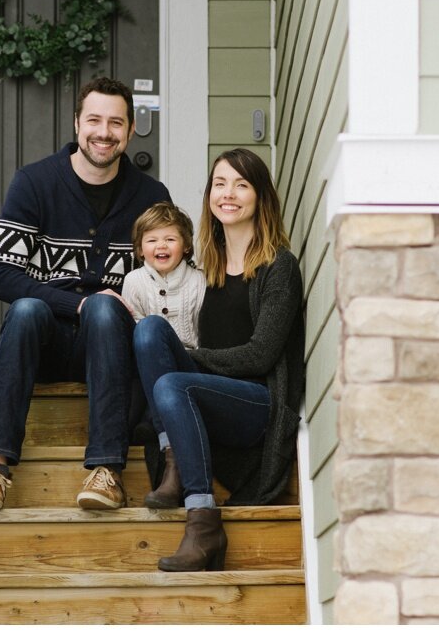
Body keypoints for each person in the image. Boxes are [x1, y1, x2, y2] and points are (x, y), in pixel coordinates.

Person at [0, 77, 170, 511]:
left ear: (131, 131)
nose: (104, 132)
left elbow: (167, 272)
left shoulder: (151, 196)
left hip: (115, 346)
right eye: (94, 119)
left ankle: (107, 471)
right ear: (77, 123)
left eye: (116, 122)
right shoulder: (34, 183)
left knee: (102, 309)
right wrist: (73, 302)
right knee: (24, 310)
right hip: (48, 345)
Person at [132, 148, 305, 572]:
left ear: (261, 198)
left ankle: (204, 523)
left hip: (258, 406)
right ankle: (173, 455)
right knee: (150, 329)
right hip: (212, 401)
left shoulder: (278, 266)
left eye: (242, 185)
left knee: (174, 382)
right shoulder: (206, 269)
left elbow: (261, 354)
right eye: (220, 183)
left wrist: (190, 360)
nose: (228, 194)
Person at [120, 201, 206, 349]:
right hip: (148, 357)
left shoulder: (199, 280)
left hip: (191, 359)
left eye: (170, 239)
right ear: (140, 249)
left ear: (186, 245)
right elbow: (132, 328)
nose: (161, 245)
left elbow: (206, 330)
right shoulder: (134, 281)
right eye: (152, 240)